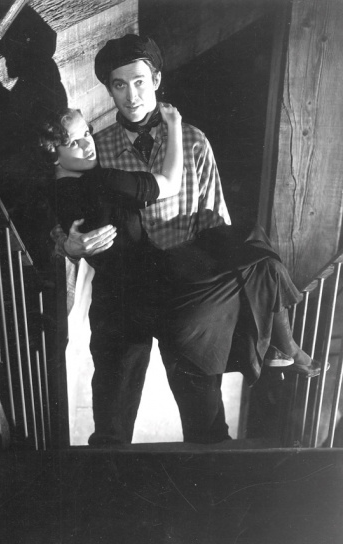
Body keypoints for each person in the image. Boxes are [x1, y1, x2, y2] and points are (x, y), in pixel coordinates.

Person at [51, 34, 322, 447]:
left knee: (205, 422)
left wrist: (224, 275)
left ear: (156, 80)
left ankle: (275, 350)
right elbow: (63, 211)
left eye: (139, 82)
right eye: (119, 85)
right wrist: (68, 246)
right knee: (111, 422)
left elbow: (215, 218)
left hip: (185, 292)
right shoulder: (92, 149)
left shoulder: (192, 141)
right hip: (122, 294)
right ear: (109, 89)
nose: (131, 96)